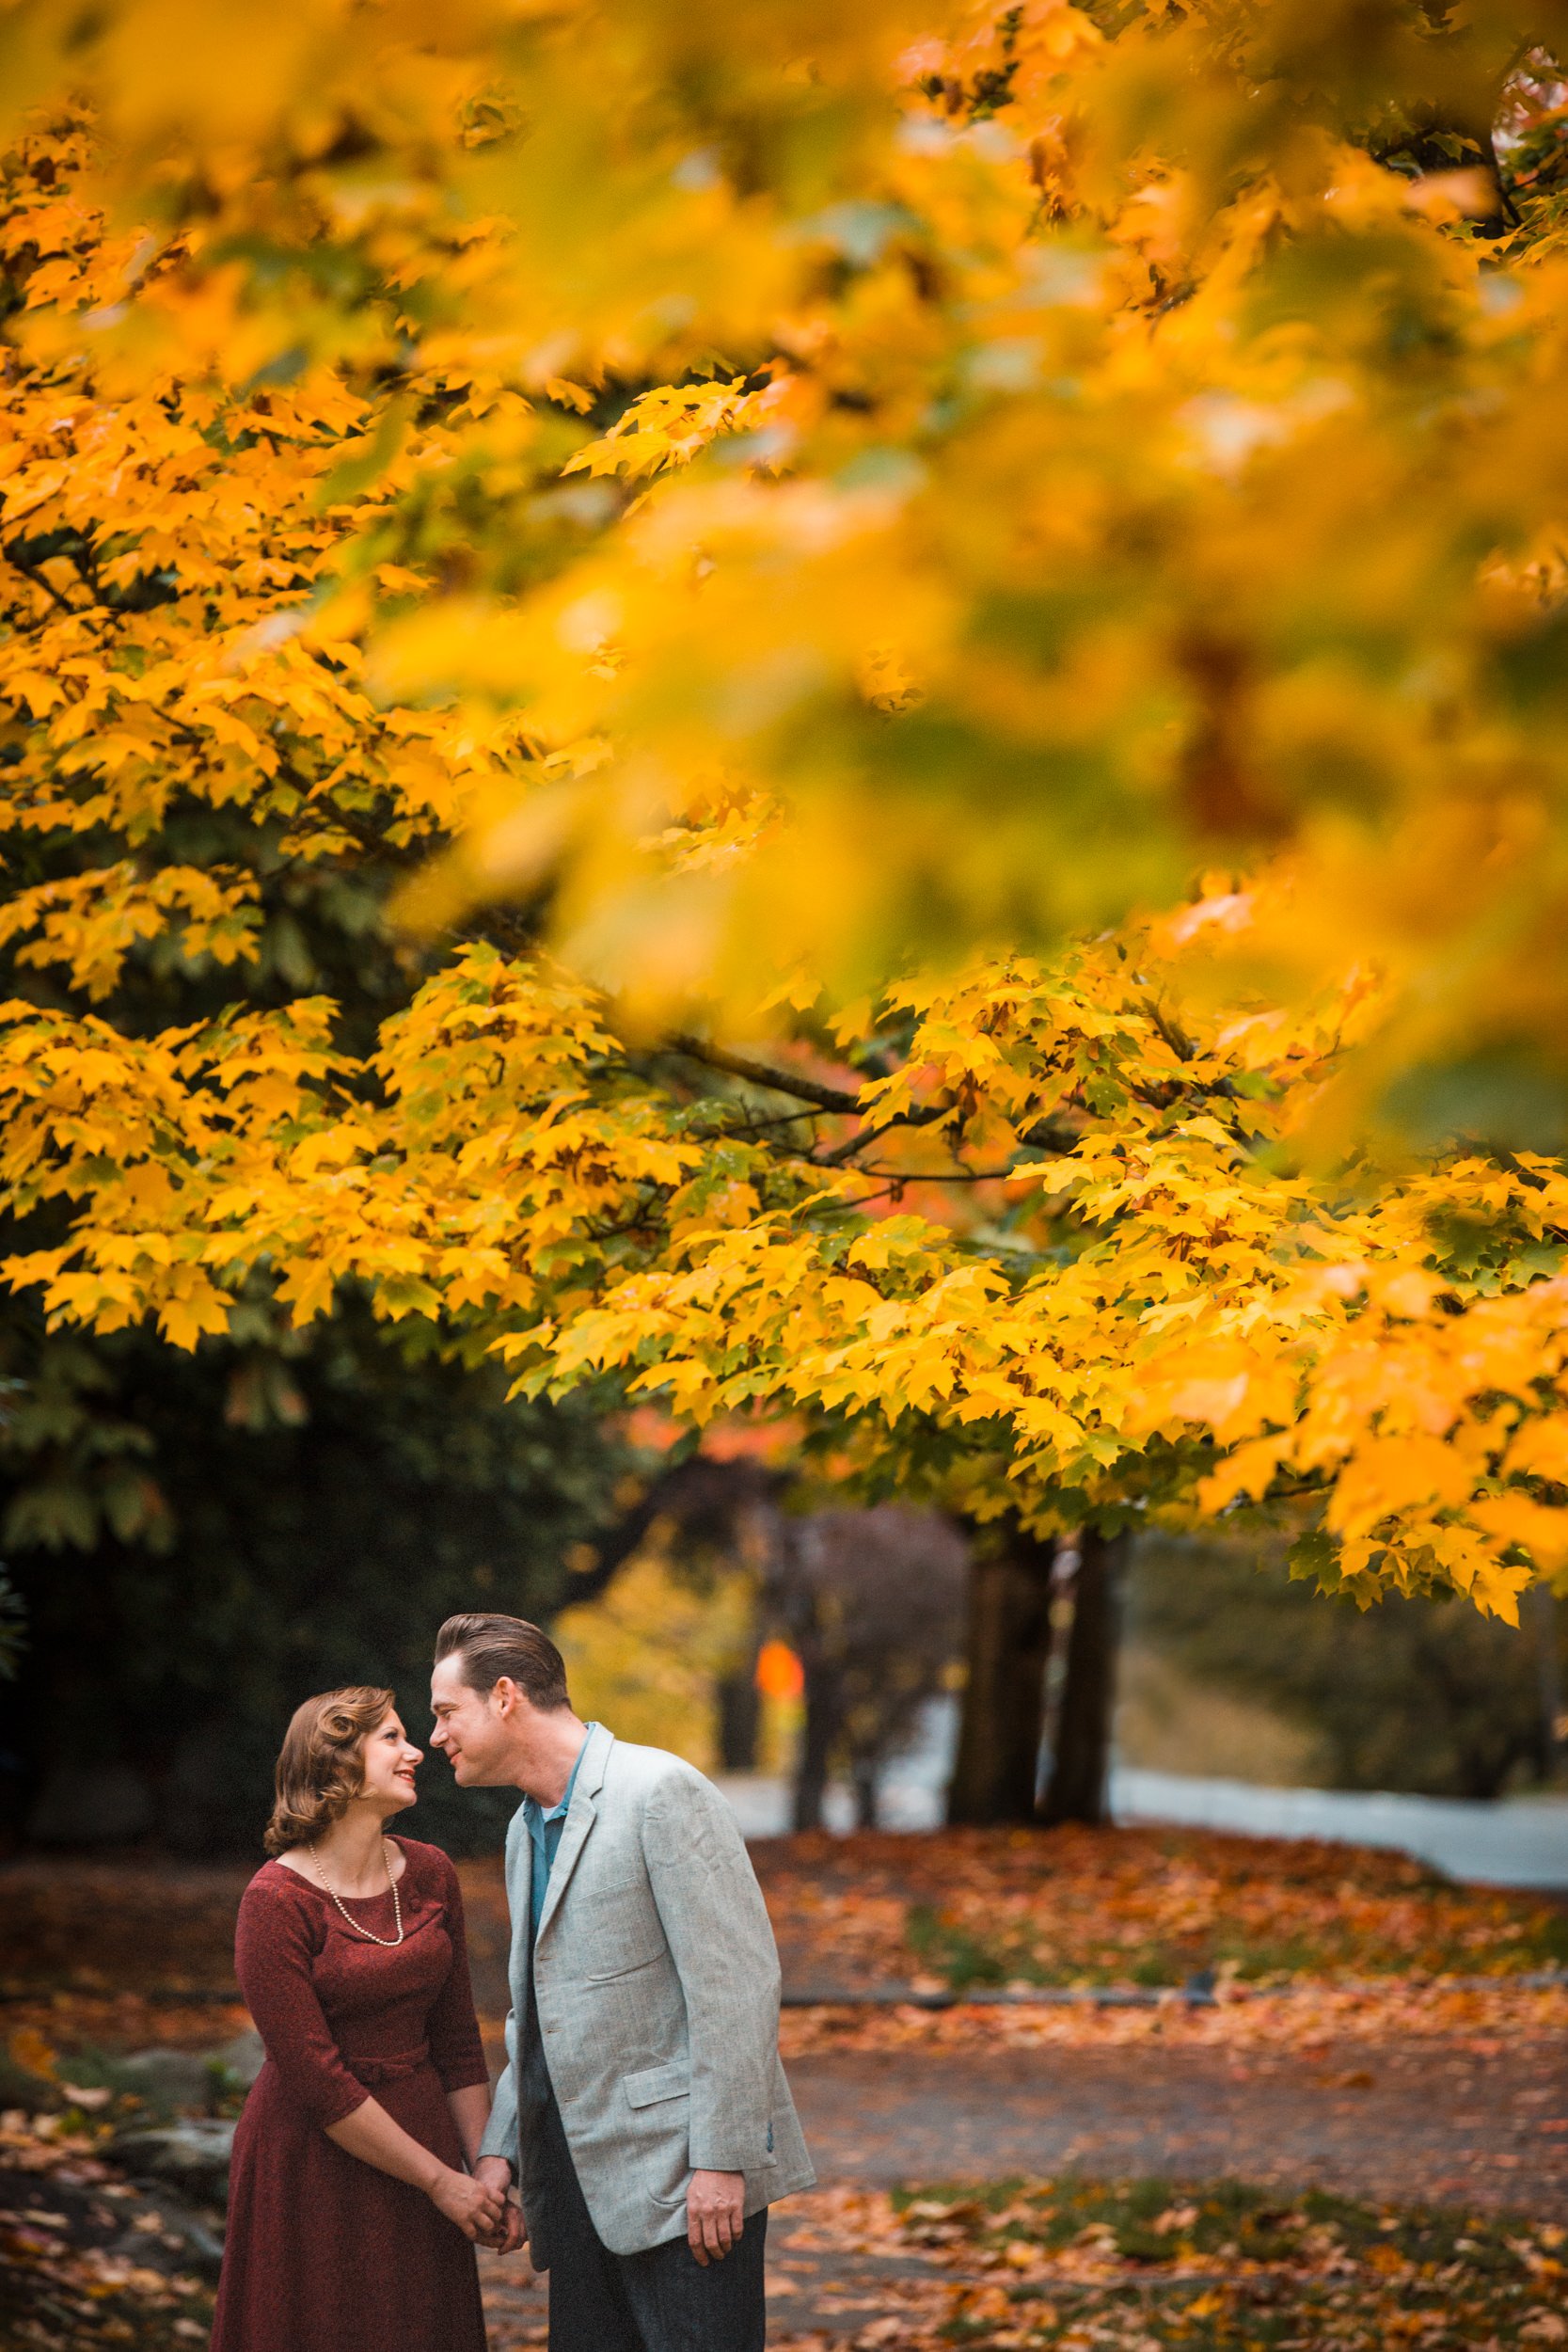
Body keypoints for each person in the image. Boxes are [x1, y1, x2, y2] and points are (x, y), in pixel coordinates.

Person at [429, 1611, 815, 2352]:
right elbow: (534, 2015)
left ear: (504, 1696)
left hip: (685, 2184)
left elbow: (735, 1985)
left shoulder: (660, 1791)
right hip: (574, 2190)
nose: (436, 1736)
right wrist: (500, 2153)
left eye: (448, 1712)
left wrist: (720, 2161)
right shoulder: (522, 1829)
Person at [210, 1686, 502, 2352]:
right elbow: (317, 2078)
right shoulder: (274, 1899)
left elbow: (457, 2041)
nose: (416, 1752)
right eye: (392, 1739)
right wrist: (441, 2181)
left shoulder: (431, 1873)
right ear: (337, 1763)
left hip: (426, 2139)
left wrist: (485, 2171)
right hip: (313, 2154)